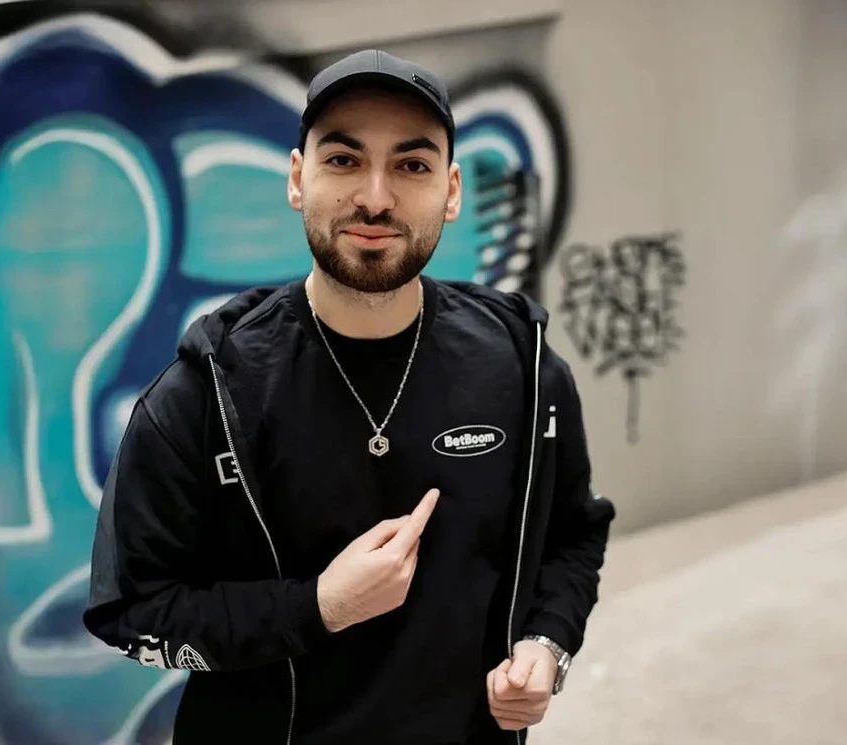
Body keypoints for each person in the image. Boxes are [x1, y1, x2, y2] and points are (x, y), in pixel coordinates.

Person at [83, 49, 616, 745]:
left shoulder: (523, 367)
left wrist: (546, 643)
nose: (375, 197)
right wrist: (317, 607)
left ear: (452, 191)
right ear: (297, 178)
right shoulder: (207, 391)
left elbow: (574, 534)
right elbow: (132, 613)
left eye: (412, 165)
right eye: (342, 160)